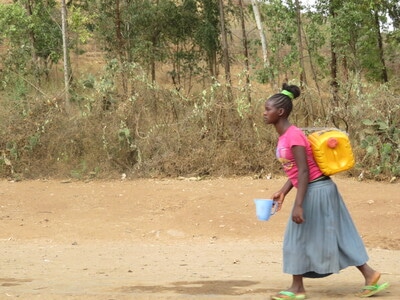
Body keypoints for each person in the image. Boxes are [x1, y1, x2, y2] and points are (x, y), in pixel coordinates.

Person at [263, 83, 389, 300]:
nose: (264, 113)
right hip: (315, 189)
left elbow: (304, 172)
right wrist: (283, 191)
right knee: (337, 234)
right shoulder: (285, 136)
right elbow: (297, 170)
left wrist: (299, 205)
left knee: (296, 238)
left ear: (280, 112)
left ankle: (297, 288)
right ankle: (370, 275)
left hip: (316, 190)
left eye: (268, 110)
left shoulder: (293, 136)